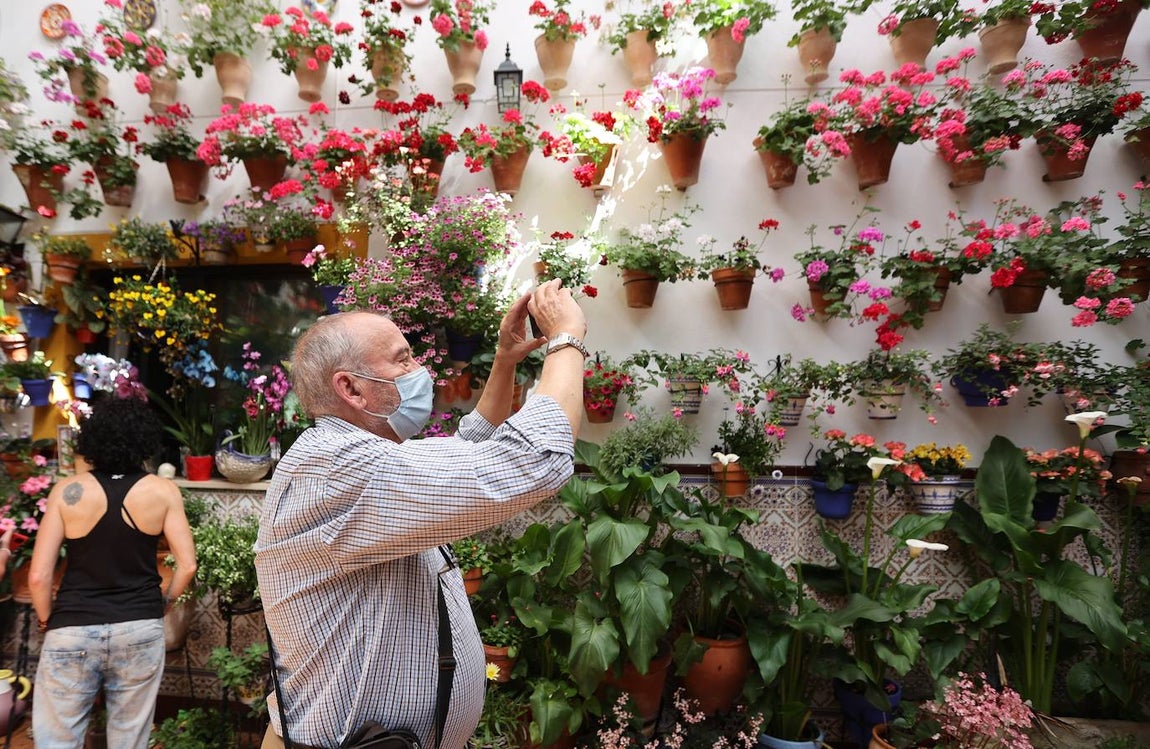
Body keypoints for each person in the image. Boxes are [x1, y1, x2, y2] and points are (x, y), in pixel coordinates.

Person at [257, 280, 587, 749]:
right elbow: (535, 461)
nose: (420, 369)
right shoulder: (340, 467)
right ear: (350, 388)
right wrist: (566, 339)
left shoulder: (360, 457)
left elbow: (470, 447)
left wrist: (505, 361)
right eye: (402, 358)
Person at [29, 396, 197, 749]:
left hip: (72, 627)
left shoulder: (67, 492)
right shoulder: (162, 491)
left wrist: (47, 621)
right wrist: (164, 604)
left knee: (57, 740)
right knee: (129, 738)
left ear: (93, 440)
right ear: (144, 441)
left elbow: (39, 577)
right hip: (138, 626)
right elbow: (187, 564)